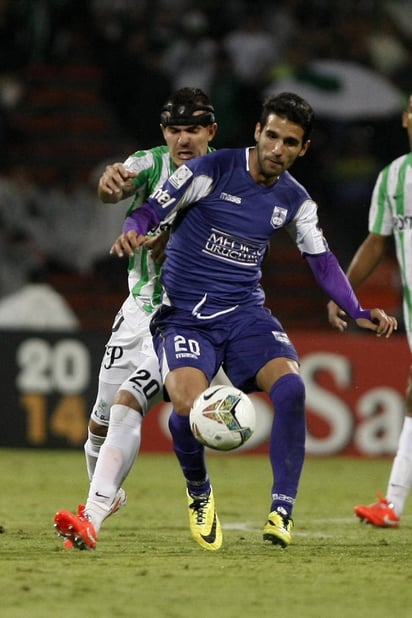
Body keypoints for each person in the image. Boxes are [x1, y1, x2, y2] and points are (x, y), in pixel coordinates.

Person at [116, 92, 397, 551]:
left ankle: (281, 509)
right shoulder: (211, 170)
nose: (277, 149)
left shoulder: (295, 199)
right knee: (186, 409)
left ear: (302, 149)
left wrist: (359, 308)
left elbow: (322, 260)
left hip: (245, 313)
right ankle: (200, 492)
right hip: (186, 317)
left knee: (291, 387)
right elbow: (154, 208)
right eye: (271, 136)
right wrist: (135, 228)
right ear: (257, 132)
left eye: (290, 142)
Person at [53, 87, 220, 550]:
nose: (183, 139)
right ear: (164, 132)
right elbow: (122, 183)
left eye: (193, 129)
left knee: (130, 402)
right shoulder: (150, 162)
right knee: (98, 425)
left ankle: (92, 514)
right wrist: (113, 184)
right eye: (174, 130)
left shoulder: (228, 173)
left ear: (211, 131)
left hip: (184, 317)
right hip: (136, 310)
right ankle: (106, 497)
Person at [328, 94, 412, 528]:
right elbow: (376, 242)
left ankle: (394, 505)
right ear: (405, 118)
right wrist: (342, 291)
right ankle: (392, 506)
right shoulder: (394, 177)